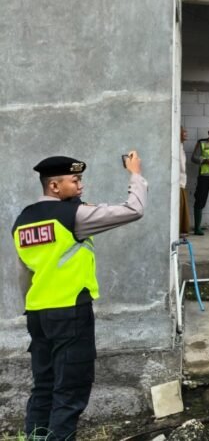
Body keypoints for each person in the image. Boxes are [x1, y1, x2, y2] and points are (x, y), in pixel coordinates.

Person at [12, 153, 147, 440]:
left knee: (43, 387)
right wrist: (135, 173)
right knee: (69, 391)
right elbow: (134, 209)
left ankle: (35, 438)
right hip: (71, 312)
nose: (81, 186)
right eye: (75, 180)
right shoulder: (74, 216)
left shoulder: (22, 220)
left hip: (37, 313)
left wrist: (31, 304)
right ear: (55, 187)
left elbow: (24, 274)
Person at [179, 127, 191, 236]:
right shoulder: (177, 146)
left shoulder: (181, 146)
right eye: (183, 132)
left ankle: (182, 229)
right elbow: (181, 166)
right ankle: (180, 230)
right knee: (180, 206)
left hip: (182, 180)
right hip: (179, 182)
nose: (185, 133)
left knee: (183, 206)